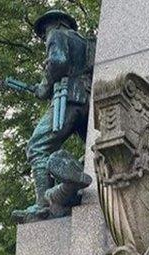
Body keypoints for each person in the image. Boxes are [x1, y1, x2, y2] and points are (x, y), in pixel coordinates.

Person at [12, 9, 93, 222]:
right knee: (93, 149)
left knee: (36, 147)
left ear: (55, 23)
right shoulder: (85, 42)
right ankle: (69, 189)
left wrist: (43, 87)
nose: (43, 36)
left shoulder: (57, 35)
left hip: (67, 99)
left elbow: (58, 62)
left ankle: (42, 206)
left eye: (43, 31)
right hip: (88, 102)